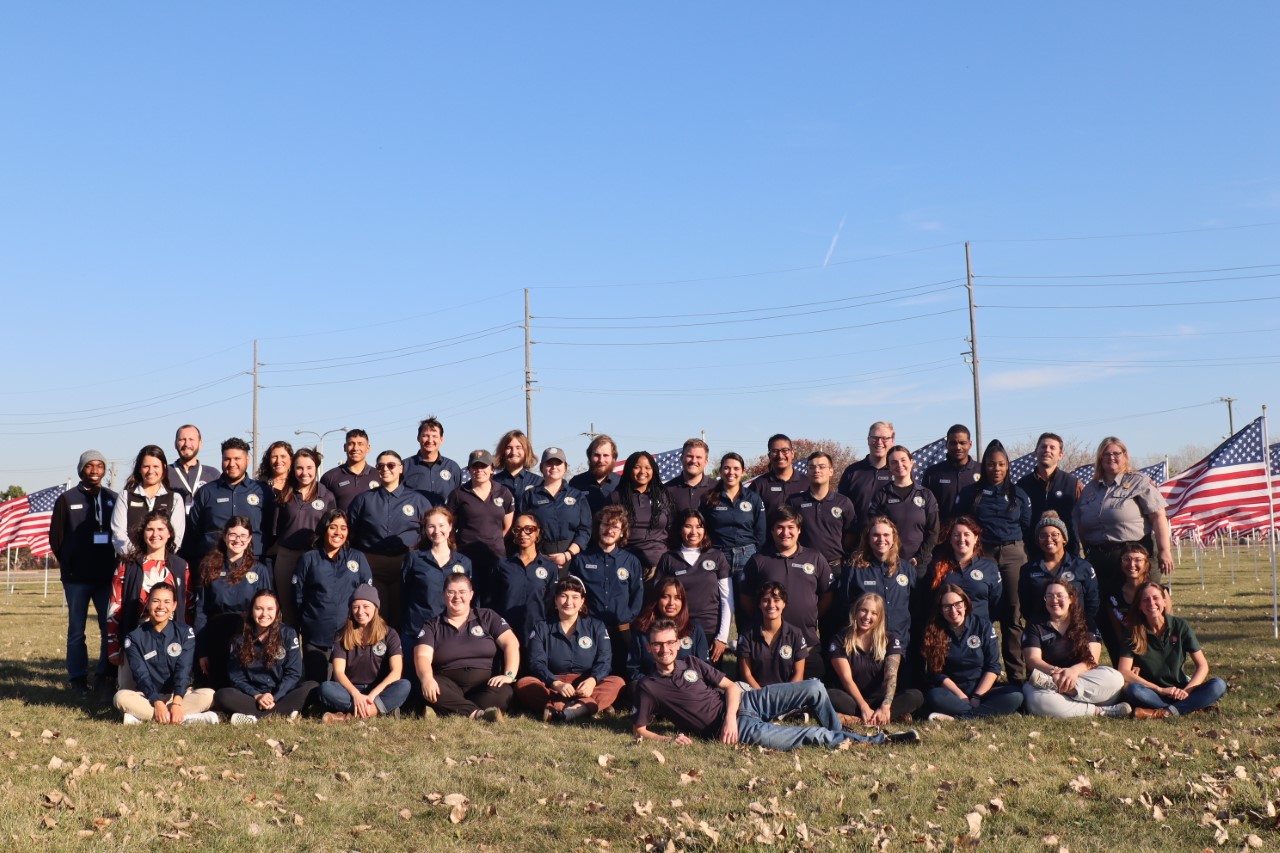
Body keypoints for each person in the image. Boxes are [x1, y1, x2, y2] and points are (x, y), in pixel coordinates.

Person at [632, 619, 916, 749]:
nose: (665, 649)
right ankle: (877, 740)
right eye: (658, 645)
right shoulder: (649, 686)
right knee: (809, 735)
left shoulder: (691, 662)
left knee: (814, 686)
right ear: (649, 649)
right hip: (735, 729)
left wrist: (731, 715)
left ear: (676, 643)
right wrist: (670, 739)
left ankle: (838, 736)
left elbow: (731, 687)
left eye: (670, 642)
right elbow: (640, 729)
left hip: (743, 705)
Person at [956, 440, 1032, 682]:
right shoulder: (971, 493)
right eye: (991, 464)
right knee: (980, 612)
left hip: (1012, 553)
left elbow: (1026, 525)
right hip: (982, 554)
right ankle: (979, 674)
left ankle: (1017, 676)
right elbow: (961, 523)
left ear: (1007, 466)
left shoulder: (1018, 494)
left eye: (1001, 464)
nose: (996, 469)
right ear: (984, 466)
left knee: (1012, 614)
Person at [1074, 437, 1175, 606]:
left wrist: (1165, 550)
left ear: (1125, 456)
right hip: (1099, 559)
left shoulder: (1139, 482)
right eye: (1106, 454)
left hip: (1133, 557)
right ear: (1099, 458)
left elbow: (1158, 516)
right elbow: (1081, 523)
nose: (1111, 457)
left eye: (1116, 453)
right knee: (1106, 609)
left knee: (1143, 605)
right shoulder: (1089, 489)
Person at [49, 450, 118, 694]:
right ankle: (78, 678)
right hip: (76, 579)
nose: (95, 470)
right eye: (90, 466)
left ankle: (103, 675)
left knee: (106, 627)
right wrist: (69, 564)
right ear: (82, 469)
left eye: (100, 466)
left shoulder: (113, 497)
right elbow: (56, 538)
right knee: (76, 630)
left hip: (105, 577)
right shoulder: (67, 499)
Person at [517, 576, 625, 722]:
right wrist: (556, 683)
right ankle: (589, 706)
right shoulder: (541, 627)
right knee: (524, 684)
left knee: (617, 682)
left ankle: (562, 709)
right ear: (555, 600)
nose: (569, 602)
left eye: (575, 597)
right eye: (563, 596)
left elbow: (604, 660)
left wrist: (593, 680)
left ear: (582, 602)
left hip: (586, 684)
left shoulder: (596, 626)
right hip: (553, 684)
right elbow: (536, 662)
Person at [742, 506, 833, 676]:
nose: (785, 532)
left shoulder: (815, 558)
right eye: (780, 527)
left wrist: (812, 614)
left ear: (799, 530)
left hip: (808, 643)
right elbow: (746, 597)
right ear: (772, 530)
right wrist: (761, 616)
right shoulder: (758, 560)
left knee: (814, 691)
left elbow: (827, 594)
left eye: (791, 527)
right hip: (769, 646)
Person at [413, 573, 519, 721]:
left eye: (462, 592)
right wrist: (427, 679)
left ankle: (447, 709)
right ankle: (479, 714)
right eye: (451, 592)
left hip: (484, 686)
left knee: (504, 693)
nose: (457, 597)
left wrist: (509, 675)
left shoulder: (488, 616)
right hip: (448, 684)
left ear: (471, 594)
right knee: (428, 686)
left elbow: (511, 643)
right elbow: (422, 656)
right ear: (444, 595)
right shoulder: (432, 625)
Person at [347, 450, 433, 628]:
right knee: (377, 615)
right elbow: (350, 534)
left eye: (391, 465)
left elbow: (429, 534)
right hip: (372, 566)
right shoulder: (363, 500)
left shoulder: (418, 500)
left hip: (405, 564)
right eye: (380, 466)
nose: (385, 469)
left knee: (402, 613)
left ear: (401, 468)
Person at [1118, 581, 1227, 718]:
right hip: (1153, 693)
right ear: (1140, 606)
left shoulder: (1180, 626)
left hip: (1182, 690)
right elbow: (1124, 671)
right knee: (1133, 690)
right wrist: (1160, 689)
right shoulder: (1133, 631)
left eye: (1156, 598)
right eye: (1145, 600)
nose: (1151, 603)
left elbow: (1202, 665)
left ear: (1164, 601)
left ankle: (1164, 712)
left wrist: (1187, 691)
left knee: (1219, 685)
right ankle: (1188, 708)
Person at [1022, 581, 1130, 718]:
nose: (1054, 600)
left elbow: (1092, 659)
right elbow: (1032, 660)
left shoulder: (1086, 621)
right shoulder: (1035, 624)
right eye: (1049, 596)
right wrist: (1055, 672)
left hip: (1081, 677)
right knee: (1037, 701)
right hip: (1047, 678)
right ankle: (1100, 711)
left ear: (1071, 598)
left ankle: (1064, 691)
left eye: (1060, 596)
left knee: (1116, 679)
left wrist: (1073, 672)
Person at [113, 583, 218, 725]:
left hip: (178, 696)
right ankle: (186, 718)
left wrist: (176, 703)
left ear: (174, 606)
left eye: (167, 602)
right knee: (120, 697)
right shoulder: (134, 638)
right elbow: (141, 675)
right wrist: (156, 702)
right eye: (156, 601)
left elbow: (184, 670)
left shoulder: (185, 632)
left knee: (210, 695)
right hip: (147, 697)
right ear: (148, 603)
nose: (161, 606)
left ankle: (145, 717)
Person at [292, 508, 374, 683]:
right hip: (316, 635)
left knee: (344, 683)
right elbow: (299, 595)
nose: (338, 532)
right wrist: (308, 620)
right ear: (324, 529)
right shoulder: (309, 559)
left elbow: (367, 594)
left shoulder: (357, 558)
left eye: (343, 528)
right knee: (316, 685)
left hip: (349, 635)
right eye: (333, 527)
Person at [106, 510, 191, 678]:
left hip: (172, 639)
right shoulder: (127, 566)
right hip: (136, 637)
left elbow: (188, 608)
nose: (155, 534)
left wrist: (188, 644)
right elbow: (114, 609)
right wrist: (113, 646)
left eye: (160, 529)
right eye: (150, 529)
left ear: (169, 533)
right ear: (143, 533)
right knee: (128, 695)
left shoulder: (181, 566)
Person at [921, 585, 1023, 722]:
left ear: (965, 604)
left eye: (957, 604)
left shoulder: (982, 625)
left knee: (1016, 695)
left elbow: (993, 667)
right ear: (941, 610)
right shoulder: (934, 631)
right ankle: (988, 713)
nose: (953, 610)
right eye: (947, 606)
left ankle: (963, 717)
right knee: (934, 696)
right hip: (953, 694)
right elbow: (937, 674)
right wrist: (962, 697)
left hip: (983, 690)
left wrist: (977, 697)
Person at [192, 517, 273, 688]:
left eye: (243, 535)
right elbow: (201, 611)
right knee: (217, 689)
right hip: (217, 635)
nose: (238, 540)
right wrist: (203, 650)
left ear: (250, 538)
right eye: (233, 534)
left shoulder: (259, 570)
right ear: (224, 536)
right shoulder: (209, 567)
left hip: (247, 634)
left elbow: (268, 611)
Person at [215, 590, 317, 724]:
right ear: (252, 611)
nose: (264, 614)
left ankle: (255, 717)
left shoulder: (288, 634)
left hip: (281, 695)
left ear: (277, 611)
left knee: (312, 686)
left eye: (270, 609)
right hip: (252, 697)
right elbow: (237, 677)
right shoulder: (240, 638)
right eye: (259, 609)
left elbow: (293, 673)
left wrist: (274, 697)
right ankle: (280, 713)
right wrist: (257, 696)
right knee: (222, 695)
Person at [317, 586, 412, 722]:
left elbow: (396, 672)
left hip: (379, 689)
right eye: (356, 607)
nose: (360, 612)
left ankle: (348, 716)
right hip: (349, 690)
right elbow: (338, 672)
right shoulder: (341, 635)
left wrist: (373, 695)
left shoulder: (390, 634)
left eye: (365, 606)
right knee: (325, 689)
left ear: (375, 607)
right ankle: (378, 711)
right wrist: (356, 695)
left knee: (404, 685)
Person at [826, 592, 924, 724]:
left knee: (916, 696)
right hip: (853, 700)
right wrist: (863, 706)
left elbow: (891, 676)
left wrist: (885, 706)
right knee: (830, 695)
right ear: (856, 611)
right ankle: (883, 718)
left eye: (874, 613)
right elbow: (846, 679)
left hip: (879, 700)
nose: (867, 616)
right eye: (863, 610)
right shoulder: (840, 639)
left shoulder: (890, 639)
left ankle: (863, 718)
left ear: (879, 617)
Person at [569, 505, 644, 675]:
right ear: (598, 528)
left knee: (622, 674)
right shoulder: (581, 560)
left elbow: (637, 594)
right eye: (605, 525)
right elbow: (574, 595)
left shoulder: (631, 561)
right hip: (590, 629)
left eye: (615, 527)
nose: (609, 530)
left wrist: (628, 618)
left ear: (623, 532)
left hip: (622, 631)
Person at [653, 509, 732, 662]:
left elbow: (727, 599)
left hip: (710, 630)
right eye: (688, 526)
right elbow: (658, 598)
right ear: (680, 529)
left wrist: (722, 637)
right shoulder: (668, 558)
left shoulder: (717, 556)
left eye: (699, 526)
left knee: (709, 681)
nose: (694, 531)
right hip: (677, 630)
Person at [272, 447, 336, 627]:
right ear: (293, 469)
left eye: (309, 468)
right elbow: (275, 528)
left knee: (312, 607)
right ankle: (292, 651)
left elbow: (332, 530)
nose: (304, 473)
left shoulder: (327, 496)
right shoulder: (285, 494)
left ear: (316, 468)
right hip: (286, 557)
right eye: (299, 468)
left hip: (315, 558)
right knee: (288, 609)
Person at [837, 516, 917, 649]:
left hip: (901, 645)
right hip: (866, 646)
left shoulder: (907, 570)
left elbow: (916, 608)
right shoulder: (855, 569)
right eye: (876, 535)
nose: (881, 539)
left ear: (893, 539)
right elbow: (844, 607)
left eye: (886, 535)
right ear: (868, 539)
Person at [445, 449, 514, 599]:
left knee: (495, 598)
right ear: (469, 469)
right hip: (467, 556)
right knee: (469, 599)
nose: (479, 470)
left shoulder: (503, 492)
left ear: (492, 469)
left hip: (496, 556)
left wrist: (492, 541)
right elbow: (449, 526)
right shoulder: (458, 494)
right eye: (475, 466)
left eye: (483, 466)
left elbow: (508, 527)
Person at [184, 437, 266, 565]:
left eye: (237, 459)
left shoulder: (262, 491)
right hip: (213, 563)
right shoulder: (206, 492)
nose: (232, 464)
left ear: (247, 460)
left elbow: (271, 529)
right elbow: (194, 532)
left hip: (252, 562)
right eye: (227, 459)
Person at [400, 507, 473, 649]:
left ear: (450, 527)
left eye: (441, 526)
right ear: (425, 529)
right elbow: (404, 594)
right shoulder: (414, 558)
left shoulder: (464, 562)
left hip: (451, 631)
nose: (437, 531)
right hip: (417, 629)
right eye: (431, 526)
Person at [1018, 512, 1100, 632]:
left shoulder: (1083, 567)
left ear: (1064, 538)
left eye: (1054, 534)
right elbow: (1026, 607)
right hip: (1042, 630)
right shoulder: (1028, 569)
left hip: (1077, 628)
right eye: (1043, 535)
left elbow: (1092, 603)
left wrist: (1080, 624)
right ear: (1038, 540)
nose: (1048, 539)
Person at [701, 452, 766, 601]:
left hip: (747, 556)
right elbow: (702, 529)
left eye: (736, 468)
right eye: (727, 468)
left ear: (743, 472)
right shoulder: (708, 498)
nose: (731, 472)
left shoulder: (753, 498)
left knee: (747, 604)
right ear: (721, 470)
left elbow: (760, 532)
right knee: (718, 603)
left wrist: (756, 555)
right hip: (718, 555)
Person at [916, 517, 1002, 627]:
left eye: (966, 534)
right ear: (951, 540)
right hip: (945, 631)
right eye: (956, 535)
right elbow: (929, 601)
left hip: (978, 631)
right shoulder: (937, 566)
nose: (961, 539)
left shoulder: (989, 567)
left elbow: (995, 604)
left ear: (976, 538)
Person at [517, 447, 590, 576]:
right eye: (549, 463)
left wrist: (568, 555)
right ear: (541, 468)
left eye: (558, 463)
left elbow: (585, 530)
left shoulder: (577, 496)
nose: (554, 467)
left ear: (565, 467)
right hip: (539, 558)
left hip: (572, 558)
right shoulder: (530, 496)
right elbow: (521, 529)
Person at [489, 513, 557, 651]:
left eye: (528, 529)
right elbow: (492, 600)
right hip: (506, 633)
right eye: (517, 529)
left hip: (537, 634)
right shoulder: (502, 565)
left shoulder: (549, 567)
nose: (523, 533)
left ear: (538, 532)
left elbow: (550, 602)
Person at [867, 445, 939, 568]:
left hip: (919, 564)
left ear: (911, 463)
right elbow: (873, 530)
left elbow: (933, 531)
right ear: (889, 467)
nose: (899, 465)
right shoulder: (881, 495)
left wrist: (919, 558)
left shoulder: (926, 494)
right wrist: (886, 556)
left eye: (903, 460)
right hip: (888, 563)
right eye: (894, 462)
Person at [787, 451, 857, 575]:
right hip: (802, 565)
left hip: (834, 567)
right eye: (812, 467)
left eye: (822, 467)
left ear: (831, 471)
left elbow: (850, 535)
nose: (816, 470)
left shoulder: (844, 502)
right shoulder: (794, 501)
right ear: (807, 471)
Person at [110, 444, 185, 557]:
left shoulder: (175, 499)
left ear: (164, 468)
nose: (151, 471)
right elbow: (118, 534)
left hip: (162, 565)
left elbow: (176, 536)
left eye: (156, 466)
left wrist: (157, 558)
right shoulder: (125, 496)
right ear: (139, 469)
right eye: (146, 466)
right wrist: (137, 559)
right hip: (131, 563)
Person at [1017, 432, 1083, 560]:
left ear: (1060, 455)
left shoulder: (1073, 484)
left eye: (1052, 448)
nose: (1047, 450)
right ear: (1036, 452)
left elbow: (1083, 520)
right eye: (1043, 447)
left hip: (1068, 554)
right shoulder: (1022, 485)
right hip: (1031, 553)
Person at [609, 451, 671, 585]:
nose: (642, 471)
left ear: (653, 470)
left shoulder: (664, 496)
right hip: (625, 564)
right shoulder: (616, 497)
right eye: (637, 467)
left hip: (659, 565)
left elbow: (672, 530)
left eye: (647, 467)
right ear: (629, 469)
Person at [628, 577, 709, 680]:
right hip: (653, 689)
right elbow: (633, 670)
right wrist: (654, 684)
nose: (671, 603)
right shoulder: (642, 630)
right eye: (666, 597)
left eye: (677, 598)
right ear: (657, 599)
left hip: (687, 689)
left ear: (683, 601)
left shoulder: (694, 629)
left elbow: (705, 668)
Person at [736, 582, 807, 688]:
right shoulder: (747, 635)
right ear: (759, 604)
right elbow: (746, 675)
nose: (771, 605)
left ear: (784, 603)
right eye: (765, 600)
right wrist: (763, 696)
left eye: (777, 600)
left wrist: (784, 698)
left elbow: (799, 674)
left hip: (787, 696)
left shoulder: (796, 634)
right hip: (757, 695)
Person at [837, 421, 895, 534]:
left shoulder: (898, 473)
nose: (879, 442)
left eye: (885, 438)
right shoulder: (852, 471)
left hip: (889, 543)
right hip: (856, 542)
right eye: (875, 438)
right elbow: (841, 508)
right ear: (868, 440)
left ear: (892, 441)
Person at [1102, 543, 1156, 663]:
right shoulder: (1112, 596)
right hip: (1129, 652)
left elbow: (1168, 627)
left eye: (1138, 560)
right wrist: (1133, 660)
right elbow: (1119, 635)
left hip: (1157, 650)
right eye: (1127, 559)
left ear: (1146, 564)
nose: (1132, 564)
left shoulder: (1158, 593)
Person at [922, 424, 981, 522]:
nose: (958, 447)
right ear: (946, 444)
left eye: (962, 443)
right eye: (953, 443)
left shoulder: (982, 470)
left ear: (970, 444)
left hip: (973, 535)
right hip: (942, 534)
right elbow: (925, 509)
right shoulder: (932, 473)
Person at [402, 416, 463, 504]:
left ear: (441, 439)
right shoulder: (404, 466)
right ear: (418, 438)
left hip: (445, 517)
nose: (430, 440)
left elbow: (459, 498)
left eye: (435, 436)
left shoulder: (452, 467)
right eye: (426, 436)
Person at [320, 429, 380, 513]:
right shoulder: (330, 477)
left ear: (368, 448)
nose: (355, 448)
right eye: (351, 444)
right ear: (345, 447)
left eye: (360, 444)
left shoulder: (379, 475)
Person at [751, 434, 810, 515]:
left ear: (792, 453)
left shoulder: (807, 483)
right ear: (769, 456)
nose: (780, 455)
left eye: (785, 450)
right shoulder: (759, 485)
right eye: (775, 451)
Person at [254, 440, 294, 557]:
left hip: (289, 546)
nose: (278, 461)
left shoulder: (297, 486)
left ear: (291, 459)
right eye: (274, 457)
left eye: (283, 456)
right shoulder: (259, 486)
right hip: (265, 547)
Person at [168, 424, 220, 510]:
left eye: (191, 439)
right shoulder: (164, 473)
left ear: (200, 443)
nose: (187, 444)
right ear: (175, 443)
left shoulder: (213, 474)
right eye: (182, 439)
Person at [568, 434, 621, 516]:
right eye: (597, 455)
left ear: (613, 458)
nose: (601, 460)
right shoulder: (576, 483)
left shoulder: (621, 483)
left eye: (606, 455)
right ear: (589, 457)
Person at [664, 438, 716, 515]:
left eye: (698, 457)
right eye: (689, 456)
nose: (694, 461)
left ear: (706, 462)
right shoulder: (666, 490)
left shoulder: (717, 489)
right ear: (681, 458)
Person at [493, 429, 542, 499]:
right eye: (509, 448)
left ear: (526, 451)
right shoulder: (492, 482)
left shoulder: (538, 482)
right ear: (502, 451)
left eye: (518, 447)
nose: (513, 452)